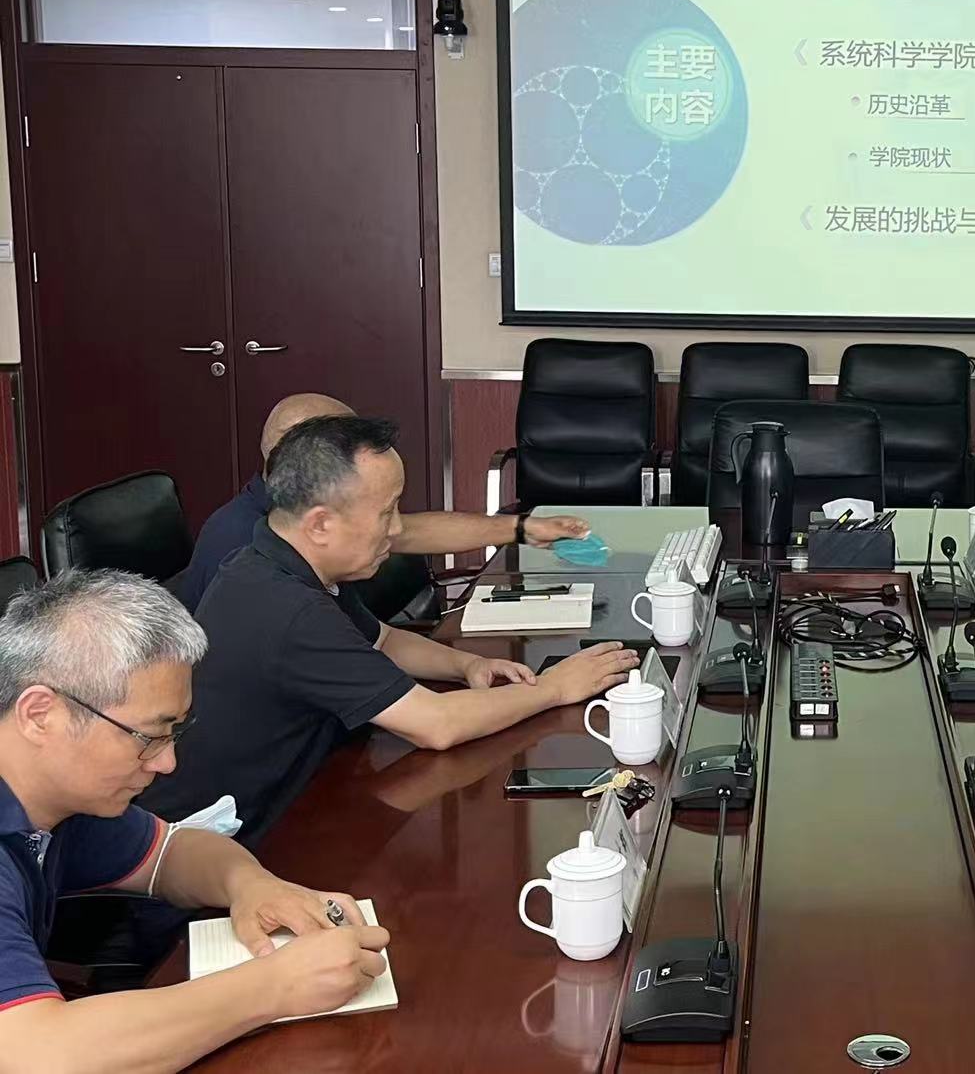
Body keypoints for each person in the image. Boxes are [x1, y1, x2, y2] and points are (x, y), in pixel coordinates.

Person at [141, 416, 637, 841]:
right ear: (320, 524)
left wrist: (467, 664)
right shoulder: (286, 608)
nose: (399, 529)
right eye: (386, 512)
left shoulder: (280, 560)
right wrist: (554, 688)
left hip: (306, 794)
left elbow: (384, 639)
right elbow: (436, 725)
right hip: (236, 840)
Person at [0, 570, 392, 1069]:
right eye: (148, 736)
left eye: (174, 733)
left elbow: (172, 851)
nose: (167, 763)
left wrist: (251, 886)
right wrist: (274, 986)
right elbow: (33, 1055)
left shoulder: (60, 795)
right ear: (40, 715)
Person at [177, 393, 591, 611]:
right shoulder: (244, 545)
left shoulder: (305, 516)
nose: (392, 526)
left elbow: (409, 532)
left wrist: (522, 528)